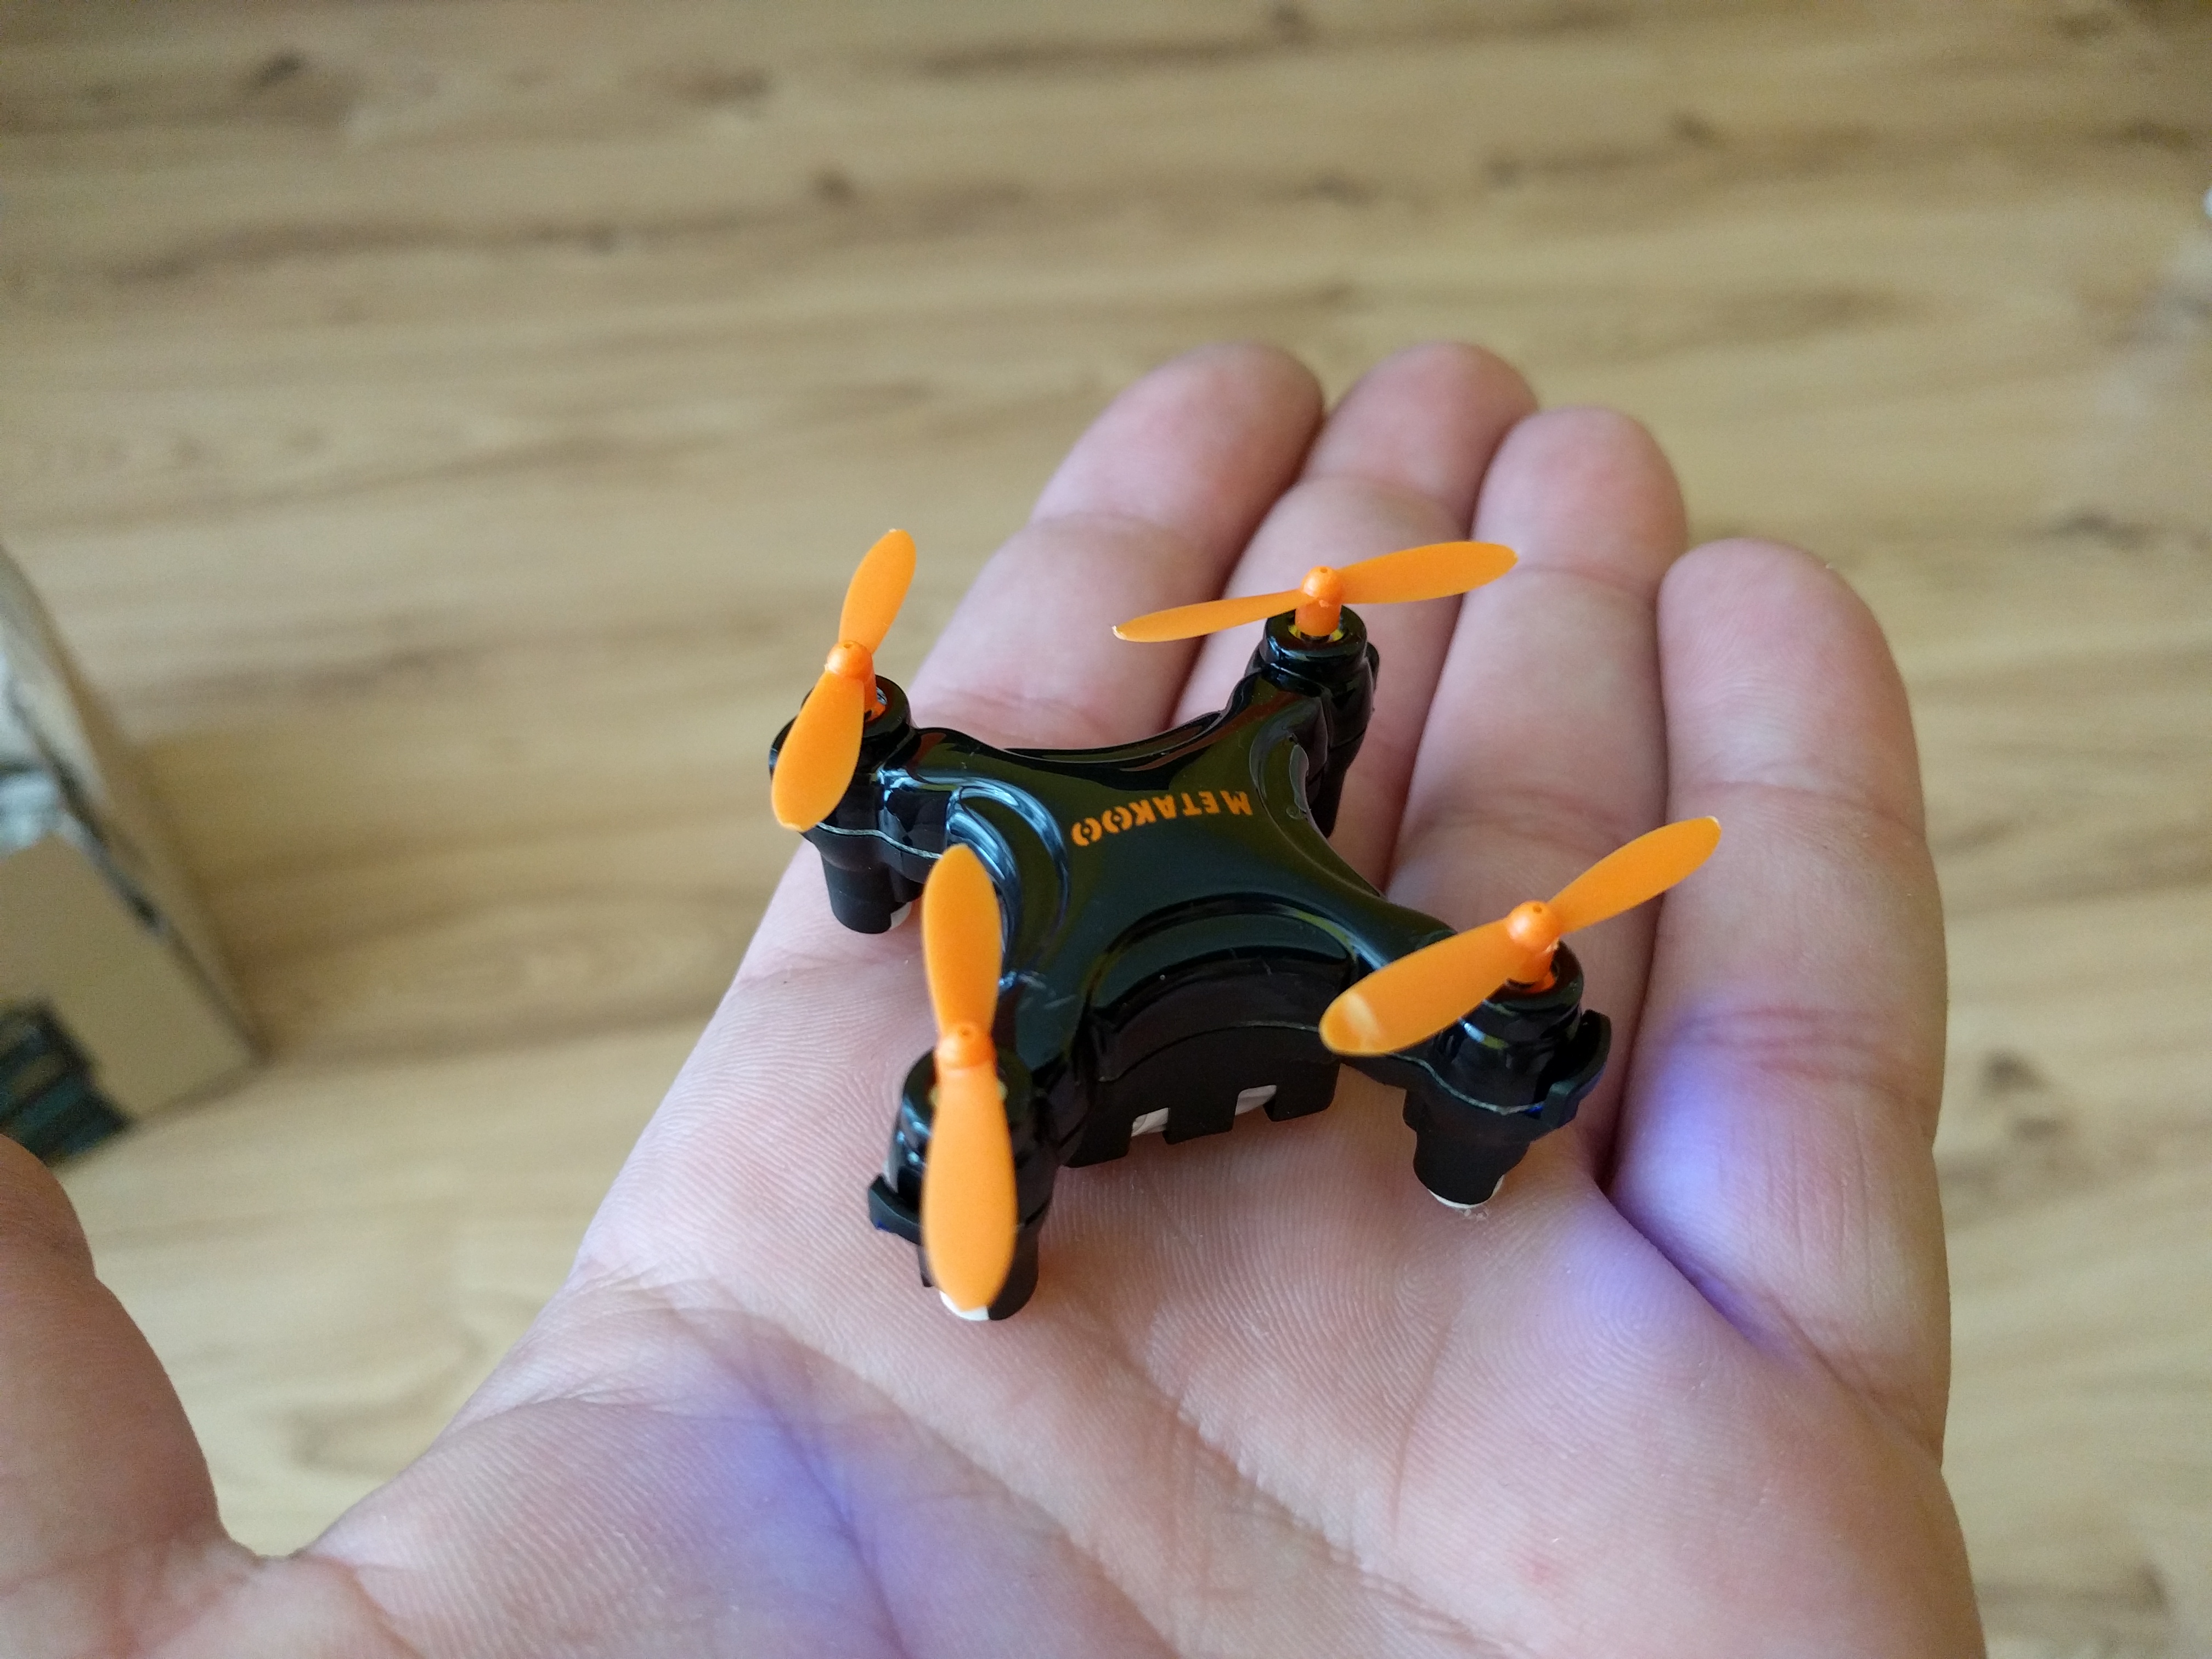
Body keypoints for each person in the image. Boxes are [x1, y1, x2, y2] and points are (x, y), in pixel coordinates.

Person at [0, 343, 1984, 1656]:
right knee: (1095, 1066)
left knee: (1462, 1000)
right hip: (1097, 969)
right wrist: (893, 832)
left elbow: (1281, 727)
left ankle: (1238, 1172)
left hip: (1193, 926)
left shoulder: (1224, 792)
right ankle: (1009, 1230)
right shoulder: (1042, 835)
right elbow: (997, 782)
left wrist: (1351, 736)